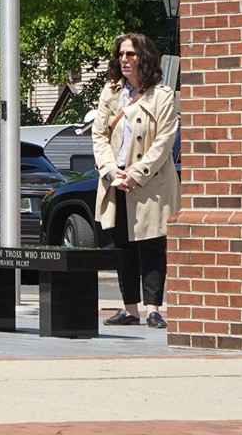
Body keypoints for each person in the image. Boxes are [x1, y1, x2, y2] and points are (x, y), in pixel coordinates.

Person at [92, 31, 180, 330]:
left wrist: (137, 174)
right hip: (115, 181)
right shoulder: (111, 92)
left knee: (151, 245)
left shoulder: (162, 95)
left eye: (131, 54)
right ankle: (130, 309)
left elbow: (165, 141)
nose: (125, 60)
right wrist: (109, 169)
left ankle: (154, 308)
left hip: (150, 182)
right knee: (123, 247)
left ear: (144, 57)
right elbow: (99, 135)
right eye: (121, 54)